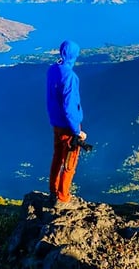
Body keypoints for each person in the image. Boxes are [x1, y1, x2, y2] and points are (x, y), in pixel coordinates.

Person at [46, 39, 86, 208]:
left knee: (57, 157)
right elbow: (69, 107)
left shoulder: (53, 70)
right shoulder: (69, 76)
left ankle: (53, 191)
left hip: (56, 123)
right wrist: (77, 131)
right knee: (69, 162)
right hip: (68, 126)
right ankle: (62, 198)